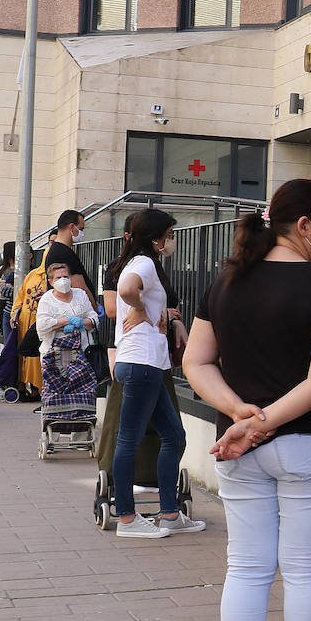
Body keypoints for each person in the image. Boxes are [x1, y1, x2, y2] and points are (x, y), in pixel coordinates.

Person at [182, 179, 311, 621]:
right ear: (303, 226)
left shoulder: (226, 283)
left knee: (247, 569)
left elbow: (196, 362)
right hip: (310, 446)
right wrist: (263, 422)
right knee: (305, 572)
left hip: (240, 452)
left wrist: (240, 416)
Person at [109, 208, 203, 540]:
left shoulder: (141, 263)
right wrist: (139, 308)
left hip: (147, 363)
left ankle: (170, 514)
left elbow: (133, 292)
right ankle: (127, 518)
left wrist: (157, 312)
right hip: (141, 363)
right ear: (156, 239)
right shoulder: (145, 264)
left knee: (174, 435)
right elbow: (126, 289)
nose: (172, 240)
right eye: (170, 234)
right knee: (129, 441)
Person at [35, 263, 98, 358]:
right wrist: (67, 321)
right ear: (51, 282)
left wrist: (80, 323)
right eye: (58, 278)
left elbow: (94, 319)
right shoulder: (47, 299)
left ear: (70, 278)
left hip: (83, 351)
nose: (63, 280)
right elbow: (42, 326)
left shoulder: (81, 294)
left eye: (65, 277)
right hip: (55, 354)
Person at [46, 210, 95, 298]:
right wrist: (93, 310)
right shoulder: (64, 253)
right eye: (81, 229)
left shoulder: (56, 250)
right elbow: (81, 289)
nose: (82, 233)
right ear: (72, 227)